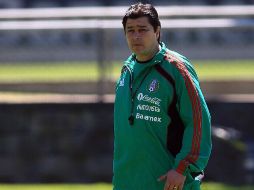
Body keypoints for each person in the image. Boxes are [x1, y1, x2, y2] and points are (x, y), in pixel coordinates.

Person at [113, 3, 212, 190]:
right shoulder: (127, 70)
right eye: (130, 30)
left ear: (157, 31)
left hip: (169, 182)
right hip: (128, 181)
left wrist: (183, 168)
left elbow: (198, 121)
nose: (136, 36)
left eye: (142, 30)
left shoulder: (176, 69)